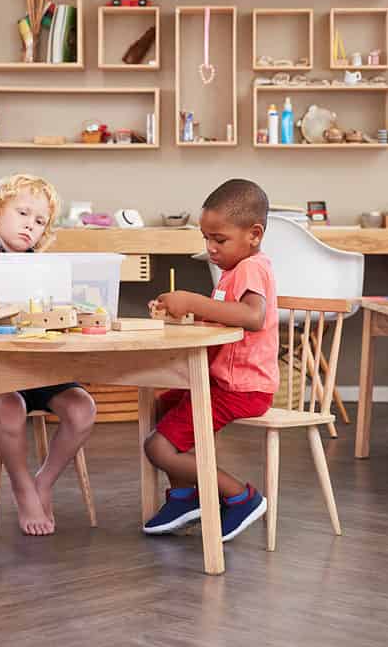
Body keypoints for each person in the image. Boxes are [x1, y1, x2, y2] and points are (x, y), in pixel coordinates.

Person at [0, 173, 96, 536]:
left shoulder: (42, 265)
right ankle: (23, 485)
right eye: (23, 213)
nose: (31, 225)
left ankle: (44, 481)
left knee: (82, 409)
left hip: (40, 368)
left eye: (39, 221)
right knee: (10, 410)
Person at [142, 179, 278, 543]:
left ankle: (240, 497)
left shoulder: (251, 268)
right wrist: (179, 312)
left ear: (254, 234)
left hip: (242, 388)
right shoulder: (234, 272)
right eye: (206, 239)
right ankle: (186, 496)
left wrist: (193, 301)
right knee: (162, 407)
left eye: (219, 240)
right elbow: (223, 320)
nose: (211, 248)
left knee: (157, 446)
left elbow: (252, 316)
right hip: (224, 381)